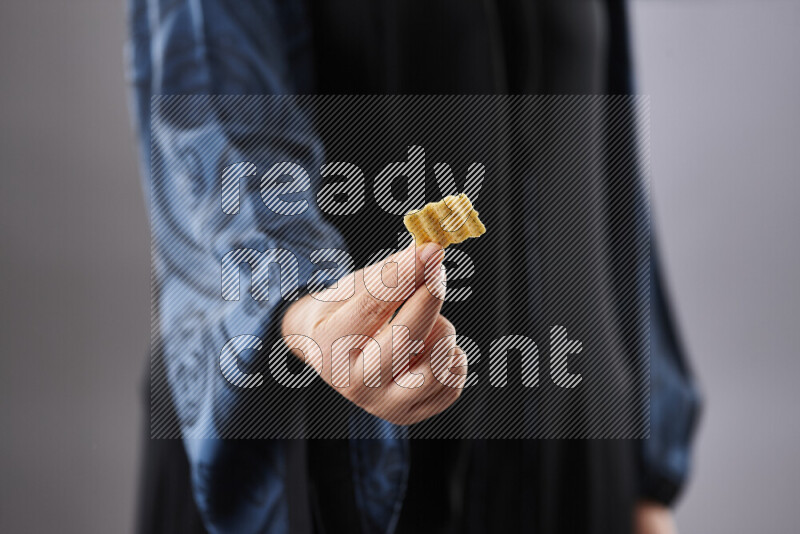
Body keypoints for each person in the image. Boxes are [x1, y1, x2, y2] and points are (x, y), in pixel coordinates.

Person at [128, 1, 700, 533]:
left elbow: (611, 163)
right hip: (333, 451)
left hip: (572, 464)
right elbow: (210, 100)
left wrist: (649, 475)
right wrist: (300, 298)